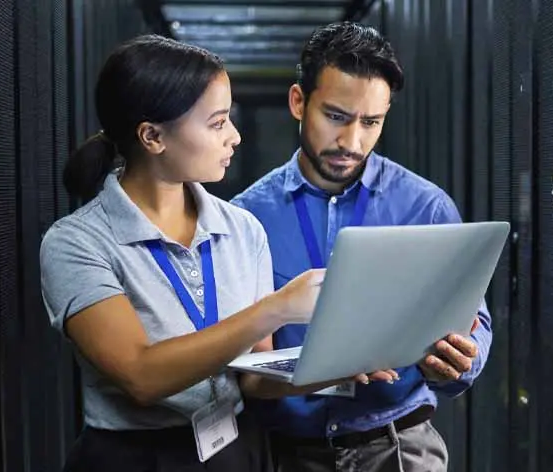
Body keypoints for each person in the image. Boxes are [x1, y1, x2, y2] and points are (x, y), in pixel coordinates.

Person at [39, 34, 391, 472]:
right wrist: (276, 309)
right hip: (133, 458)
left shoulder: (242, 229)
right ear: (152, 136)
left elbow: (253, 378)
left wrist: (335, 366)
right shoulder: (77, 242)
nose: (236, 137)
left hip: (235, 451)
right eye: (218, 122)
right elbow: (141, 376)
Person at [230, 21, 493, 472]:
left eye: (371, 122)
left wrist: (462, 358)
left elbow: (473, 321)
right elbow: (232, 350)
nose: (352, 142)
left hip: (397, 447)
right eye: (336, 116)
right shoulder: (245, 217)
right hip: (281, 452)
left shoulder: (425, 207)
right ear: (298, 102)